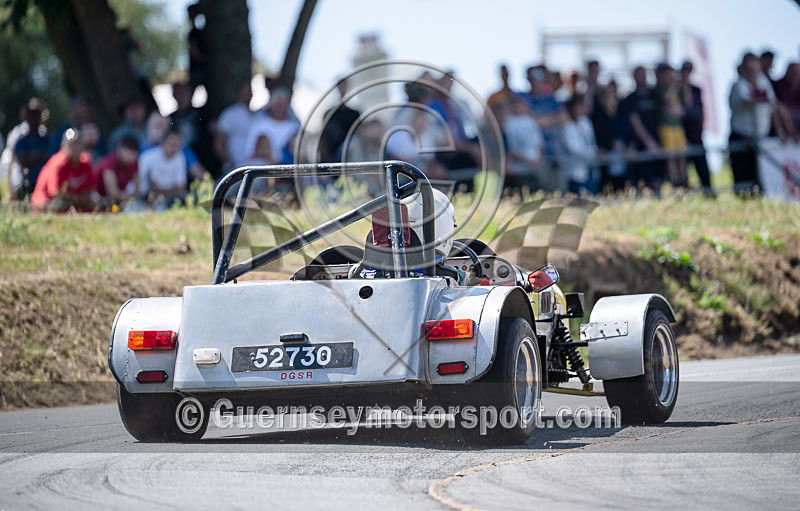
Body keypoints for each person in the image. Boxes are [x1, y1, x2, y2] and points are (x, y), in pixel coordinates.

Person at [728, 52, 785, 194]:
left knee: (762, 176)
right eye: (750, 69)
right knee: (743, 179)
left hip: (762, 138)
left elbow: (772, 108)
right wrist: (758, 98)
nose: (754, 73)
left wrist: (779, 132)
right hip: (742, 137)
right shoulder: (738, 85)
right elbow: (744, 102)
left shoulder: (764, 82)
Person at [32, 128, 97, 212]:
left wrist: (80, 198)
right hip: (47, 203)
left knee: (96, 201)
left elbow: (90, 190)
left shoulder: (86, 162)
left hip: (73, 203)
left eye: (78, 144)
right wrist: (78, 198)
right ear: (63, 146)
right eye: (72, 145)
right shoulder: (58, 164)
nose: (75, 148)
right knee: (61, 205)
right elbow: (57, 194)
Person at [621, 66, 663, 191]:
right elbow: (635, 122)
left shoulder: (655, 95)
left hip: (658, 145)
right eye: (639, 74)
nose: (642, 77)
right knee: (644, 185)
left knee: (659, 182)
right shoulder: (630, 99)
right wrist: (649, 142)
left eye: (644, 74)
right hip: (641, 149)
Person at [679, 61, 715, 196]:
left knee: (703, 169)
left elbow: (700, 111)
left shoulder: (696, 89)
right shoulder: (676, 89)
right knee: (683, 171)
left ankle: (709, 194)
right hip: (682, 136)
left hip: (696, 136)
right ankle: (684, 194)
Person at [137, 128, 191, 209]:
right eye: (172, 144)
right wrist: (172, 190)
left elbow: (181, 188)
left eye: (177, 145)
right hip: (142, 199)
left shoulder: (180, 157)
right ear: (163, 142)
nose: (174, 148)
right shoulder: (148, 157)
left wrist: (162, 190)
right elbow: (151, 187)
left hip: (168, 200)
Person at [245, 88, 300, 164]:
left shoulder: (294, 127)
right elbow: (249, 151)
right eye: (278, 104)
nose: (280, 108)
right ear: (271, 105)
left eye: (283, 104)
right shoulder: (259, 124)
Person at [654, 63, 688, 188]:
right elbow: (667, 100)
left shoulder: (676, 90)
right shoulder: (660, 89)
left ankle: (685, 182)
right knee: (671, 158)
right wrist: (674, 86)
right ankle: (676, 183)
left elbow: (681, 110)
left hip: (677, 128)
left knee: (682, 157)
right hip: (666, 128)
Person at [591, 83, 629, 191]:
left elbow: (628, 134)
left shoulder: (622, 116)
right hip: (605, 166)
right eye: (608, 98)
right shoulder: (597, 118)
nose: (612, 101)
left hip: (622, 165)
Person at [11, 99, 50, 200]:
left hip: (45, 184)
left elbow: (50, 158)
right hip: (25, 185)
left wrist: (34, 157)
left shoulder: (46, 139)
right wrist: (40, 157)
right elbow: (23, 160)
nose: (34, 119)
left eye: (37, 115)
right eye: (31, 115)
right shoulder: (20, 139)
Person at [503, 95, 545, 187]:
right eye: (516, 104)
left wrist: (539, 161)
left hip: (535, 168)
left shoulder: (531, 121)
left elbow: (539, 145)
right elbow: (510, 149)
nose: (518, 107)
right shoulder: (508, 122)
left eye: (521, 104)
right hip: (518, 170)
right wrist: (528, 161)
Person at [561, 94, 598, 194]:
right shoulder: (567, 126)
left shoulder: (586, 122)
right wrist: (592, 154)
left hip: (590, 168)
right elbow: (573, 148)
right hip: (576, 171)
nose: (580, 109)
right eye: (578, 106)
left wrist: (595, 153)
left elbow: (591, 141)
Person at [320, 77, 361, 162]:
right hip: (333, 159)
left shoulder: (355, 114)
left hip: (350, 159)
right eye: (340, 85)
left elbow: (359, 136)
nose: (343, 88)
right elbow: (323, 138)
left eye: (345, 85)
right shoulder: (329, 114)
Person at [215, 79, 254, 169]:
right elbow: (218, 144)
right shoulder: (229, 114)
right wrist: (229, 162)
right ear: (238, 93)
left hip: (253, 167)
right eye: (245, 91)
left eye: (249, 91)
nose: (248, 95)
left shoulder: (256, 115)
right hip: (235, 170)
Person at [95, 134, 140, 204]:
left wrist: (130, 196)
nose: (132, 156)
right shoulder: (109, 163)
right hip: (99, 199)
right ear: (119, 149)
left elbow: (137, 189)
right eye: (129, 151)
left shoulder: (134, 162)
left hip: (119, 200)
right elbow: (113, 194)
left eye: (134, 152)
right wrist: (130, 197)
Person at [187, 2, 208, 93]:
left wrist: (201, 58)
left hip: (198, 68)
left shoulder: (194, 33)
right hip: (201, 67)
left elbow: (194, 51)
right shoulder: (201, 31)